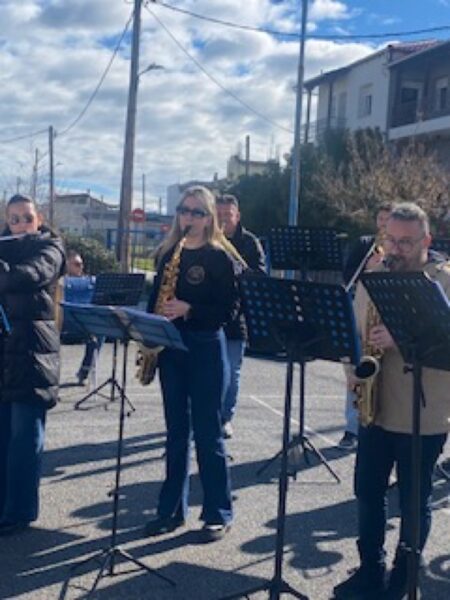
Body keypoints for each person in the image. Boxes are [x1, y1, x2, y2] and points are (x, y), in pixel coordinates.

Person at [333, 202, 450, 599]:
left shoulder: (443, 281)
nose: (396, 250)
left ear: (426, 240)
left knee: (414, 500)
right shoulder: (373, 277)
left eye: (406, 242)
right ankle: (371, 569)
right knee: (367, 492)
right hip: (375, 406)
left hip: (423, 410)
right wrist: (352, 372)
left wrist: (401, 339)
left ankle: (404, 574)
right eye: (392, 240)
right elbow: (352, 333)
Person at [143, 185, 240, 543]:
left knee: (208, 432)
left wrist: (190, 309)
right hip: (172, 348)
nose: (189, 218)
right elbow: (155, 300)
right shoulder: (168, 253)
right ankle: (170, 511)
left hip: (205, 347)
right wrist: (149, 334)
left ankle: (218, 513)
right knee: (175, 434)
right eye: (184, 210)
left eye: (197, 212)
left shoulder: (219, 258)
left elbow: (230, 311)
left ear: (209, 217)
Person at [0, 194, 65, 536]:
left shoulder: (51, 247)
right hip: (6, 352)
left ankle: (20, 511)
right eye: (14, 219)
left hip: (34, 352)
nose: (22, 225)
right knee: (3, 436)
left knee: (25, 437)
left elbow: (29, 275)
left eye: (27, 218)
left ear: (38, 219)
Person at [339, 203, 392, 450]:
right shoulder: (364, 243)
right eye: (380, 219)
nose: (384, 224)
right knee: (356, 368)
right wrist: (368, 267)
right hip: (362, 306)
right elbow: (348, 275)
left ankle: (380, 423)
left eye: (388, 219)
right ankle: (352, 428)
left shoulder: (398, 247)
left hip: (386, 312)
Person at [215, 193, 266, 438]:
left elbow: (261, 276)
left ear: (238, 216)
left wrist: (238, 268)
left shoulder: (249, 242)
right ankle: (203, 417)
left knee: (231, 372)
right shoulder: (206, 237)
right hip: (208, 314)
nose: (223, 219)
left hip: (237, 317)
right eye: (219, 214)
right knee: (206, 372)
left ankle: (225, 418)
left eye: (228, 215)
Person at [65, 250, 102, 384]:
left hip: (84, 321)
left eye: (81, 264)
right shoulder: (60, 281)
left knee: (99, 332)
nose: (81, 267)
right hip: (63, 321)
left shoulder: (89, 281)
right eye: (76, 264)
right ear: (66, 265)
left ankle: (85, 369)